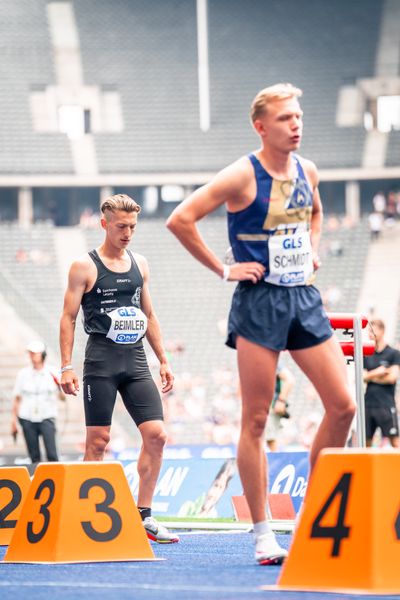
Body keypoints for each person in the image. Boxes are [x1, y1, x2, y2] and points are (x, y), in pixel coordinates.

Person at [166, 83, 355, 565]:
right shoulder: (241, 176)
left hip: (303, 297)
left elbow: (316, 213)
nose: (297, 125)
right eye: (286, 118)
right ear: (261, 126)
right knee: (255, 419)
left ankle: (316, 512)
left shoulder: (306, 170)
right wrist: (223, 268)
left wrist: (312, 248)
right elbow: (181, 219)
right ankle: (263, 535)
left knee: (343, 406)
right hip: (259, 302)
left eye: (299, 116)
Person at [59, 193, 179, 544]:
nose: (128, 233)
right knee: (98, 441)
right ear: (104, 224)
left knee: (157, 435)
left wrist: (164, 359)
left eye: (132, 227)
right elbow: (67, 317)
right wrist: (66, 365)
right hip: (101, 361)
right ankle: (82, 520)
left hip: (136, 359)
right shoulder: (84, 266)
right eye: (121, 226)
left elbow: (150, 315)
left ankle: (145, 516)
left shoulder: (140, 264)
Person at [11, 340, 64, 464]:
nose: (32, 356)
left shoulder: (53, 372)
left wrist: (59, 386)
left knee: (52, 454)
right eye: (31, 353)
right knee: (34, 456)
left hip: (47, 417)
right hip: (27, 417)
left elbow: (62, 398)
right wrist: (13, 421)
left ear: (43, 354)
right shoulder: (23, 374)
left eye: (35, 353)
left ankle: (55, 481)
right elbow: (17, 398)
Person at [363, 318, 400, 447]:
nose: (370, 334)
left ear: (382, 331)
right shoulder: (366, 354)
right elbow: (361, 377)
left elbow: (392, 378)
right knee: (366, 444)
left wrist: (370, 376)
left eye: (373, 331)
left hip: (386, 405)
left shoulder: (393, 353)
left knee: (395, 443)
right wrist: (378, 372)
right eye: (368, 331)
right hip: (368, 404)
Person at [265, 362, 295, 451]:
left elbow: (290, 379)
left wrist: (281, 400)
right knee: (268, 438)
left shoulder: (272, 364)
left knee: (271, 439)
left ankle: (276, 460)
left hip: (270, 405)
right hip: (262, 404)